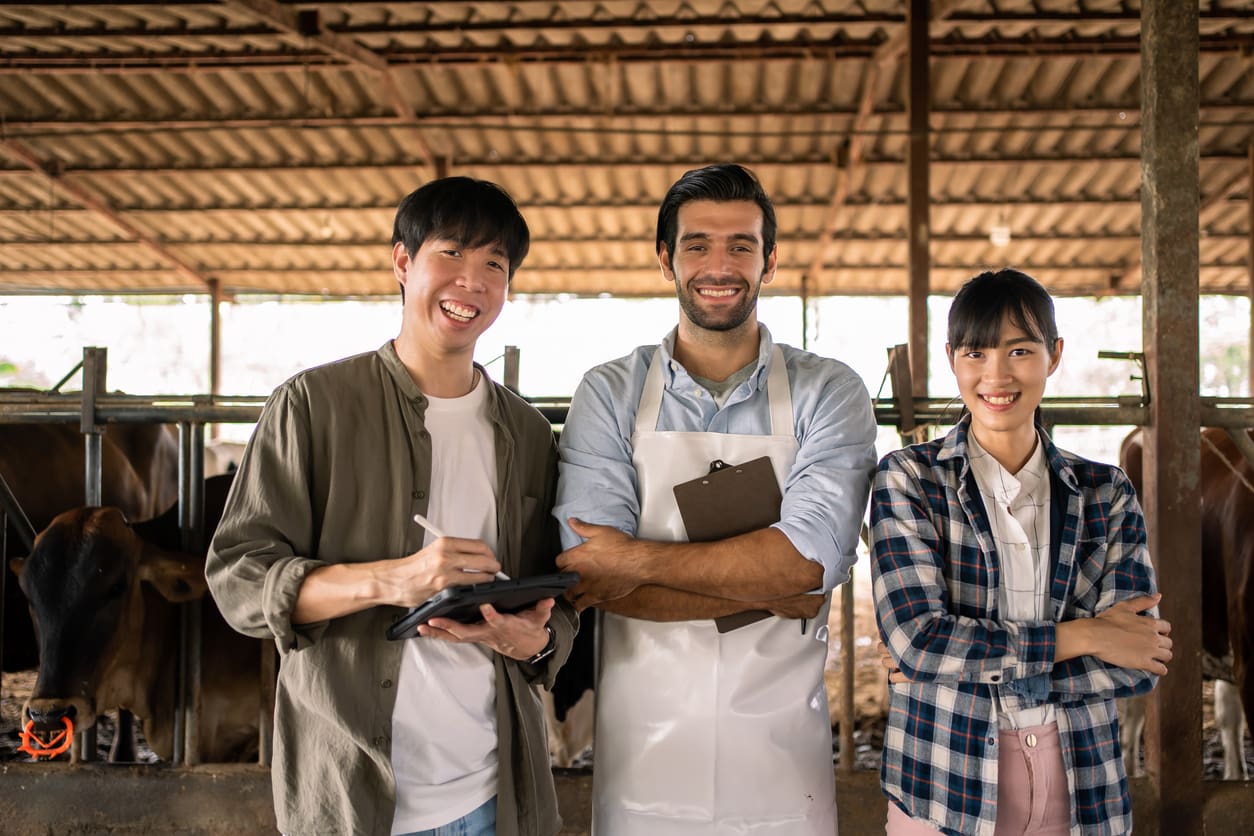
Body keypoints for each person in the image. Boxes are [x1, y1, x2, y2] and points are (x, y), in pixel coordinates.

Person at [205, 176, 578, 836]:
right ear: (404, 263)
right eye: (453, 255)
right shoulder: (313, 406)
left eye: (495, 264)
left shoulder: (526, 433)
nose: (473, 282)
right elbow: (239, 580)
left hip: (498, 793)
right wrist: (394, 579)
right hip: (351, 793)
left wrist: (538, 637)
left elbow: (558, 601)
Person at [553, 163, 879, 834]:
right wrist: (771, 586)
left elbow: (806, 569)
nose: (719, 264)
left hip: (784, 772)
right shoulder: (610, 392)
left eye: (742, 245)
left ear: (770, 259)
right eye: (697, 244)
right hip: (643, 762)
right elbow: (590, 573)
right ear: (665, 259)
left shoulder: (830, 391)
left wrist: (636, 561)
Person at [871, 268, 1173, 836]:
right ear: (952, 358)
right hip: (943, 783)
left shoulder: (1104, 492)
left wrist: (949, 668)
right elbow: (915, 640)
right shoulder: (910, 479)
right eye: (976, 353)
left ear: (1053, 356)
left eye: (1019, 351)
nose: (996, 375)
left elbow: (1138, 664)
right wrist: (1085, 637)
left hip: (1083, 786)